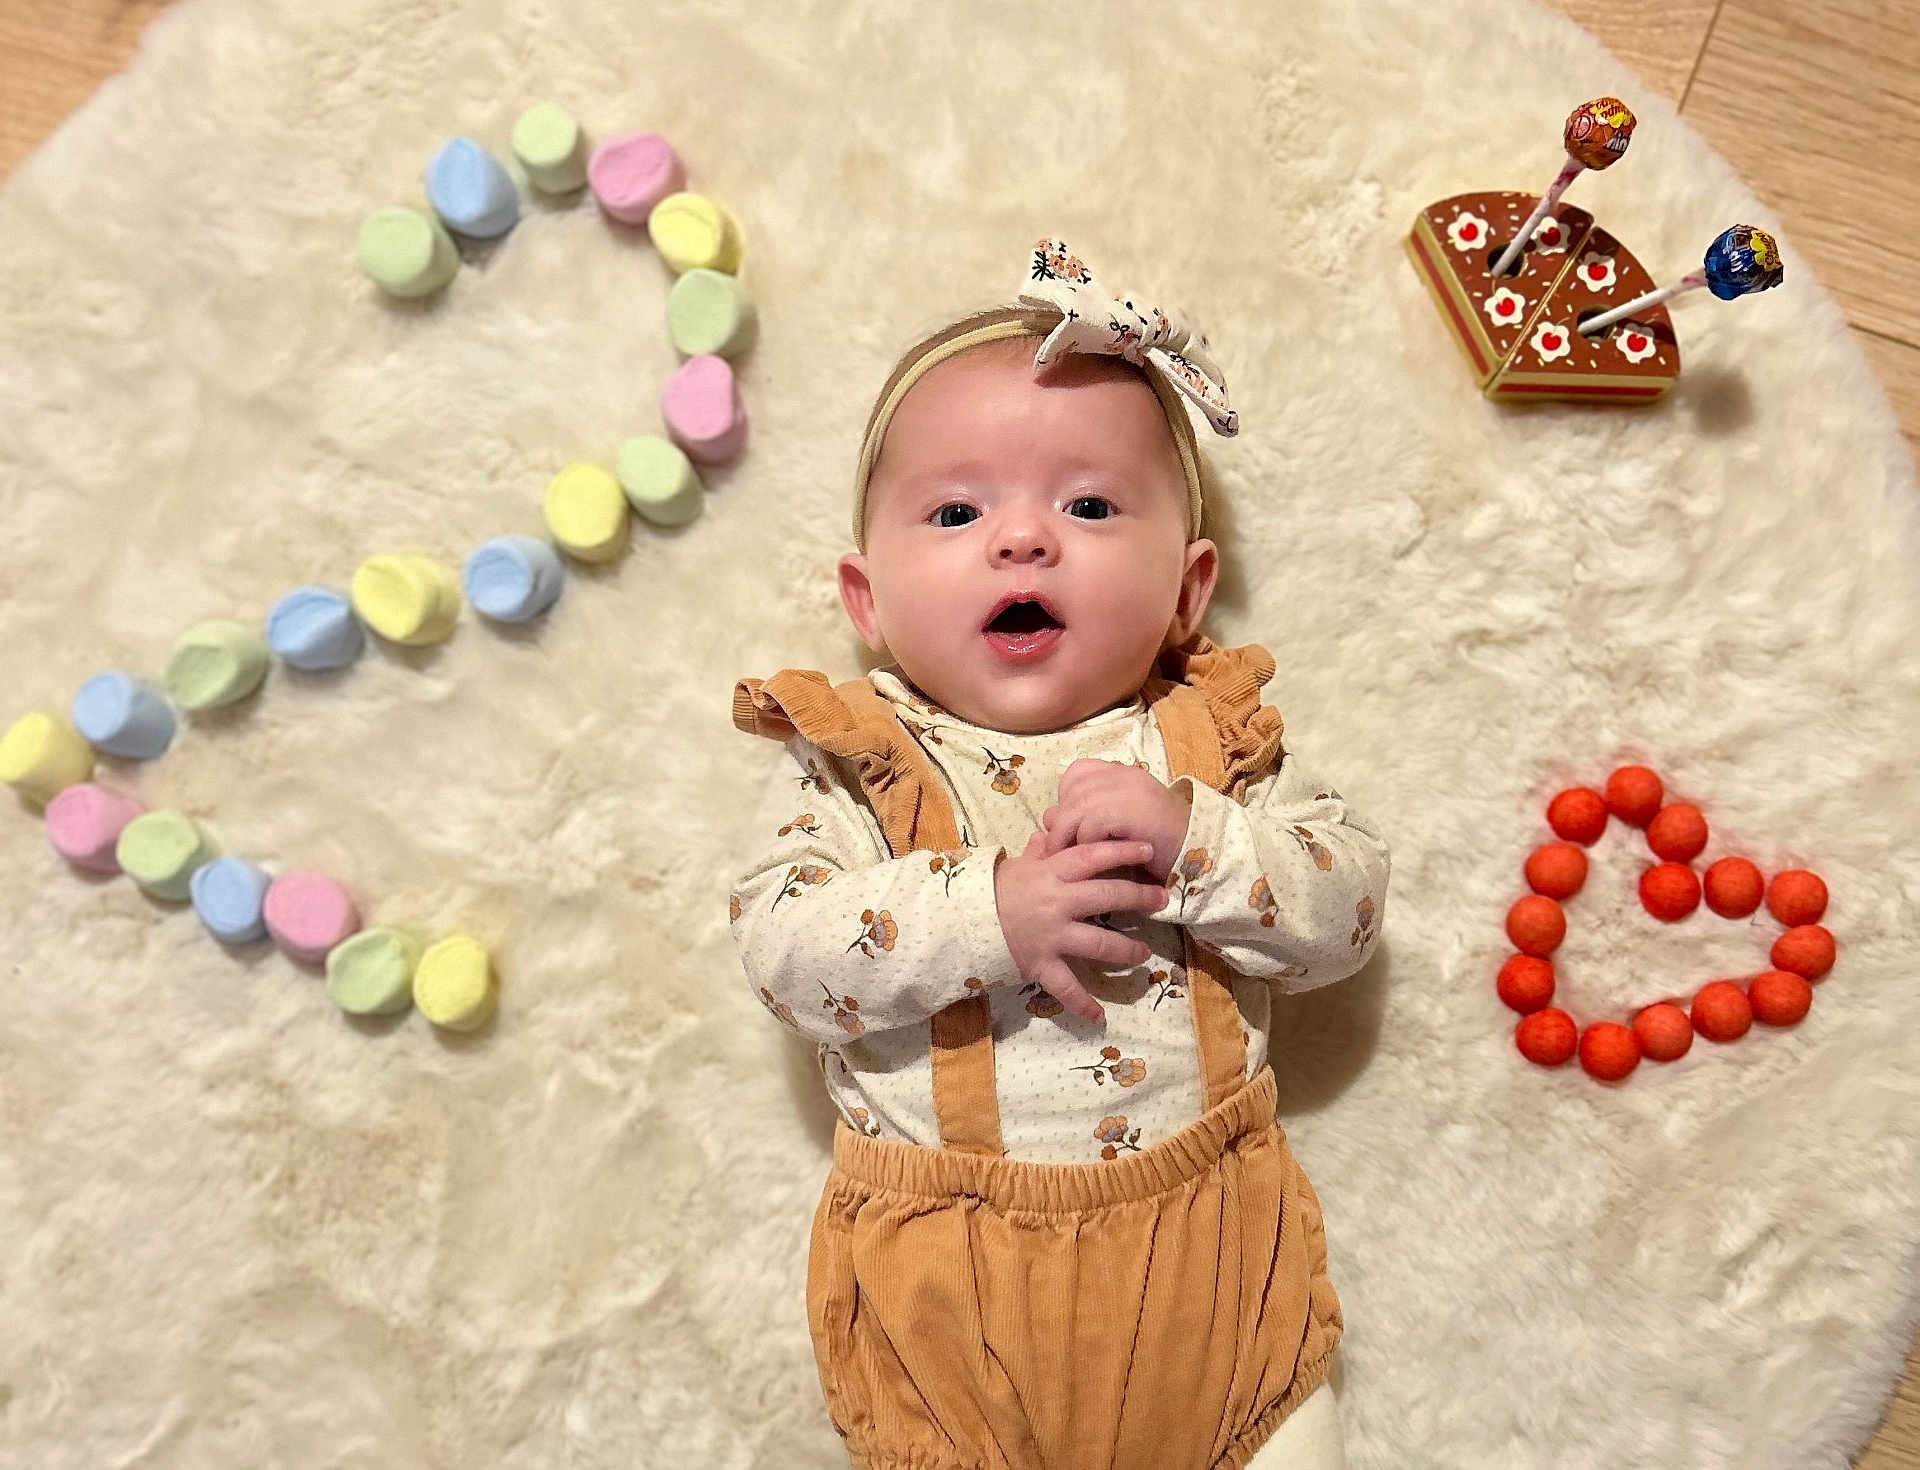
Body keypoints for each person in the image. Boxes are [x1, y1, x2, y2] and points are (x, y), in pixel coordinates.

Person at [728, 236, 1389, 1468]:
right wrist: (990, 913)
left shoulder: (1209, 740)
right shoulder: (862, 758)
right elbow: (783, 956)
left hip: (1213, 1256)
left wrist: (1198, 842)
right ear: (868, 602)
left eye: (1089, 507)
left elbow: (1348, 916)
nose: (1024, 540)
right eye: (957, 511)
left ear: (1187, 590)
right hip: (951, 1282)